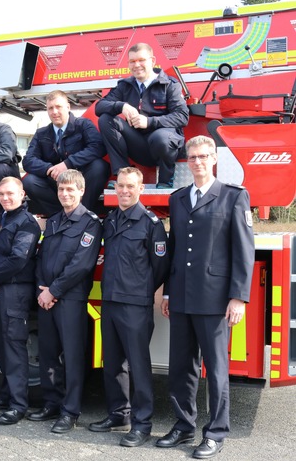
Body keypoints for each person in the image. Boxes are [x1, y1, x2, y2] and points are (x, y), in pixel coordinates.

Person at [157, 135, 254, 459]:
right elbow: (174, 250)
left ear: (214, 159)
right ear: (187, 161)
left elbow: (244, 251)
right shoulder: (178, 198)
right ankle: (184, 426)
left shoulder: (233, 197)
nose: (197, 162)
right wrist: (168, 291)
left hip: (214, 300)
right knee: (181, 367)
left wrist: (238, 297)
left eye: (203, 156)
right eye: (192, 157)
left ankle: (215, 433)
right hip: (182, 296)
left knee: (215, 369)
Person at [88, 167, 169, 447]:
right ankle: (118, 415)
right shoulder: (110, 221)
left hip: (135, 304)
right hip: (110, 302)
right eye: (120, 186)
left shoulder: (151, 224)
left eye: (130, 186)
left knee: (138, 366)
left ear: (141, 189)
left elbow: (160, 268)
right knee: (112, 363)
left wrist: (143, 290)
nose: (124, 191)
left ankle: (142, 424)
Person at [29, 169, 101, 434]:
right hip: (47, 297)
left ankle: (70, 412)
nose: (65, 194)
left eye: (71, 190)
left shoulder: (90, 222)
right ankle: (51, 403)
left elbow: (81, 265)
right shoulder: (55, 220)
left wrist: (53, 291)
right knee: (47, 354)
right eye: (61, 190)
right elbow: (41, 257)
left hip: (69, 298)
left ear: (81, 191)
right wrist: (41, 289)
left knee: (71, 357)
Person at [0, 177, 41, 425]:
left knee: (15, 347)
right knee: (3, 346)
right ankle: (5, 395)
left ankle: (18, 405)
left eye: (10, 193)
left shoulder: (27, 223)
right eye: (1, 194)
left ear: (22, 193)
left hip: (15, 292)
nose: (5, 198)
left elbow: (18, 260)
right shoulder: (1, 218)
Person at [96, 42, 189, 188]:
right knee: (106, 119)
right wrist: (122, 106)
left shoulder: (169, 84)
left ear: (152, 61)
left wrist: (150, 122)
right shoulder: (125, 86)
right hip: (139, 146)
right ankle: (124, 175)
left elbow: (182, 116)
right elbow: (99, 107)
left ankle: (166, 180)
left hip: (163, 145)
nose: (136, 65)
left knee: (161, 137)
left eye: (141, 60)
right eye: (132, 61)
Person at [22, 90, 109, 214]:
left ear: (68, 107)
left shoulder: (83, 125)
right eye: (50, 108)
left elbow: (98, 147)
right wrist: (50, 169)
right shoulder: (41, 133)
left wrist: (68, 164)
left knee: (99, 166)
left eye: (58, 107)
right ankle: (60, 216)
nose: (54, 112)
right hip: (55, 182)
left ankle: (82, 214)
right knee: (29, 181)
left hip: (81, 179)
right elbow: (28, 161)